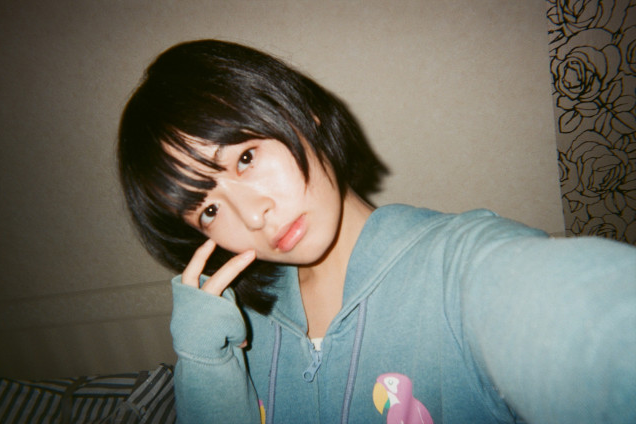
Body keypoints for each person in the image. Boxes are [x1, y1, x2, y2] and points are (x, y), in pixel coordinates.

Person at [117, 39, 636, 424]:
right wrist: (206, 364)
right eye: (208, 210)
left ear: (304, 115)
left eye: (246, 158)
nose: (253, 217)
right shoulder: (238, 324)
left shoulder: (457, 267)